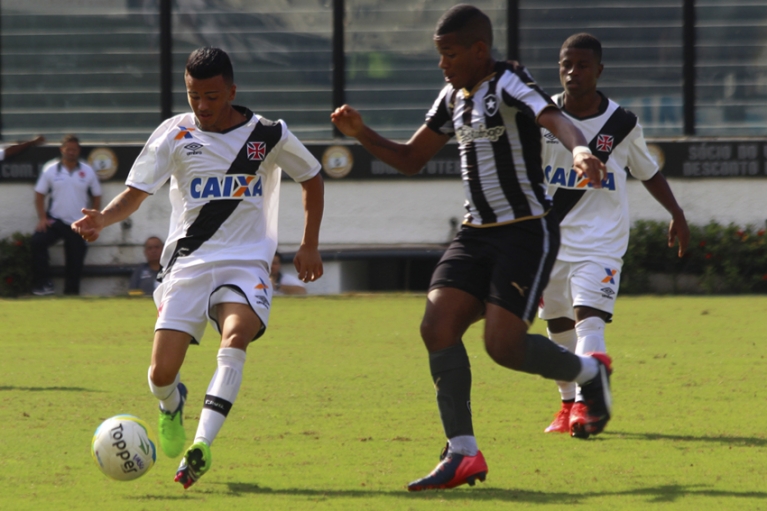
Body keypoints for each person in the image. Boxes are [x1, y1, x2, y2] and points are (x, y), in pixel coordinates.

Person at [331, 4, 611, 492]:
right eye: (440, 55)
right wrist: (362, 135)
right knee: (436, 326)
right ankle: (462, 452)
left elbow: (551, 116)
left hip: (525, 230)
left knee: (502, 347)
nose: (443, 64)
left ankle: (589, 373)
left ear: (480, 51)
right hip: (474, 233)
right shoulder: (450, 97)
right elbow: (411, 158)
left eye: (451, 54)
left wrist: (580, 148)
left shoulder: (507, 81)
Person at [72, 47, 324, 489]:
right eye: (193, 96)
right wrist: (102, 218)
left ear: (231, 90)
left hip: (246, 263)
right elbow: (136, 192)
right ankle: (171, 405)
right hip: (187, 264)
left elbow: (313, 177)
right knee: (160, 374)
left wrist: (309, 244)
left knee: (237, 333)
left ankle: (201, 446)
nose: (202, 106)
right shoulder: (174, 133)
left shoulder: (267, 134)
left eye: (211, 96)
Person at [538, 33, 690, 435]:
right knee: (557, 326)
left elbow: (648, 172)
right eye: (566, 64)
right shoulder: (543, 115)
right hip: (548, 241)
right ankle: (567, 403)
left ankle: (590, 408)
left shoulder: (622, 124)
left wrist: (676, 212)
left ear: (599, 70)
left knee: (589, 320)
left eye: (582, 65)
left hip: (600, 242)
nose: (573, 72)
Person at [32, 134, 101, 295]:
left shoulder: (87, 170)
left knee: (75, 261)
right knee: (37, 241)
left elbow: (97, 195)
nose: (71, 152)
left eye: (74, 149)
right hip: (55, 221)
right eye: (68, 149)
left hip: (78, 224)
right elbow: (39, 194)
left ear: (79, 151)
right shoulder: (51, 169)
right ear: (62, 149)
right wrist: (42, 218)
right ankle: (43, 284)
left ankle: (71, 294)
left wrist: (92, 218)